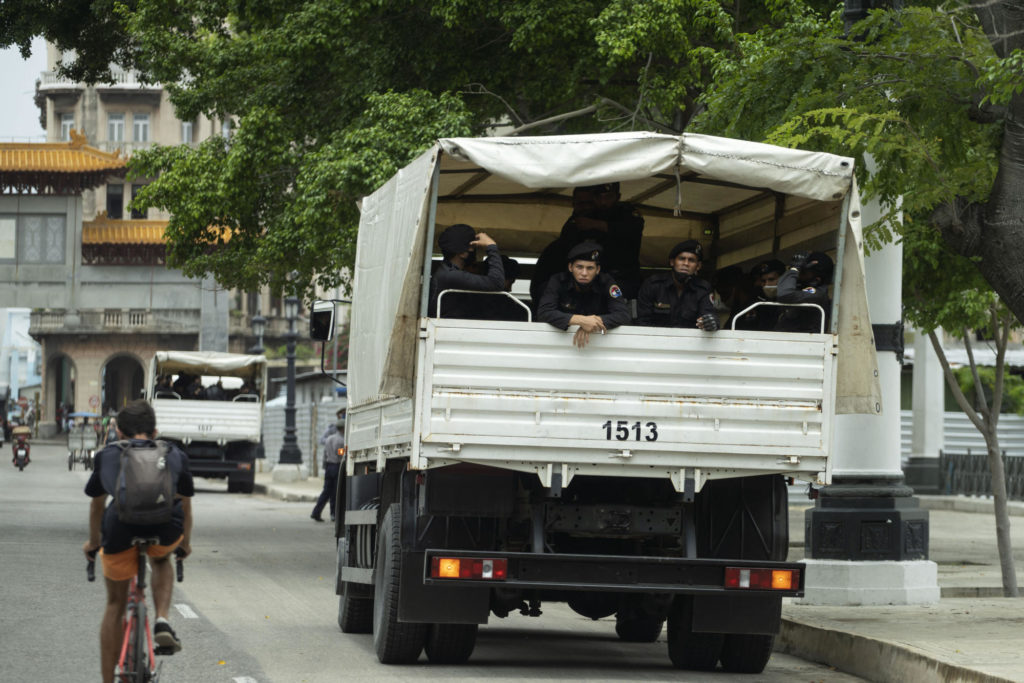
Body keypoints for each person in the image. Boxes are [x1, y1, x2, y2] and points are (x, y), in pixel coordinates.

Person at [82, 400, 194, 683]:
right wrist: (185, 544)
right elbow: (186, 505)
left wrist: (93, 543)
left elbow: (96, 506)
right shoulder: (174, 454)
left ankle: (109, 680)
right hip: (165, 530)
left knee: (115, 605)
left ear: (119, 432)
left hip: (120, 530)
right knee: (161, 558)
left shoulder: (107, 455)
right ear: (155, 431)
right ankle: (162, 619)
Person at [530, 183, 645, 306]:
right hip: (585, 285)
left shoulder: (625, 213)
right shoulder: (578, 221)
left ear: (618, 197)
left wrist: (597, 224)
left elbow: (631, 229)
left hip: (620, 278)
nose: (603, 202)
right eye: (598, 198)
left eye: (608, 197)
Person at [537, 241, 632, 349]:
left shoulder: (606, 282)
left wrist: (592, 323)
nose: (584, 273)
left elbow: (623, 315)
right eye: (579, 267)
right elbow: (544, 312)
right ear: (570, 267)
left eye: (590, 268)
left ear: (598, 270)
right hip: (560, 345)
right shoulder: (558, 281)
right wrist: (581, 320)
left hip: (599, 347)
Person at [636, 240, 718, 331]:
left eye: (691, 260)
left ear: (698, 266)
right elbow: (642, 322)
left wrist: (710, 322)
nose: (686, 264)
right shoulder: (653, 285)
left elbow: (709, 316)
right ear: (672, 262)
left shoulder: (703, 289)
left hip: (690, 343)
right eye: (681, 259)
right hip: (654, 342)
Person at [428, 223, 505, 318]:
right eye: (472, 248)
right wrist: (491, 246)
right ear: (462, 253)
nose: (474, 252)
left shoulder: (446, 271)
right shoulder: (451, 275)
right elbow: (497, 282)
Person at [775, 251, 834, 333]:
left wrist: (794, 269)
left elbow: (785, 294)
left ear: (817, 279)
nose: (798, 274)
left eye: (802, 272)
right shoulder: (799, 289)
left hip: (806, 343)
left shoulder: (817, 294)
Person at [732, 258, 786, 331]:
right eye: (763, 281)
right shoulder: (754, 302)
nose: (767, 284)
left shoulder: (792, 298)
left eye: (771, 280)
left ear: (783, 279)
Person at [312, 417, 346, 523]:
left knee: (326, 491)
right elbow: (340, 453)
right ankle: (334, 514)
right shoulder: (341, 441)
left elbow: (325, 453)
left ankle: (316, 512)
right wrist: (343, 453)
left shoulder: (329, 438)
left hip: (328, 466)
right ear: (343, 429)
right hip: (337, 466)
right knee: (336, 492)